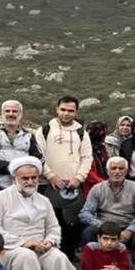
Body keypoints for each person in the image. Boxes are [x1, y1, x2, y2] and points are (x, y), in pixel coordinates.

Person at [0, 157, 76, 270]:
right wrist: (23, 243)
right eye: (25, 178)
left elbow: (53, 227)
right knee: (27, 256)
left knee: (58, 257)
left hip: (41, 248)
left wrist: (50, 241)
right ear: (15, 179)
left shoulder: (44, 200)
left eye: (34, 178)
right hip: (11, 249)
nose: (30, 182)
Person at [35, 96, 93, 255]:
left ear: (76, 112)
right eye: (63, 110)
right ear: (57, 109)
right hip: (49, 185)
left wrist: (79, 178)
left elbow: (87, 157)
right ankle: (48, 256)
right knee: (50, 222)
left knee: (71, 224)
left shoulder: (82, 132)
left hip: (73, 185)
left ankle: (68, 257)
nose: (66, 114)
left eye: (70, 111)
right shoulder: (45, 130)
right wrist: (50, 175)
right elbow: (38, 155)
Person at [79, 156, 135, 250]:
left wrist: (130, 230)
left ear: (126, 171)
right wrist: (102, 226)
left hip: (127, 227)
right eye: (113, 168)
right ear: (107, 171)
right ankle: (92, 263)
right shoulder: (97, 188)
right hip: (103, 226)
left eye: (121, 168)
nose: (117, 171)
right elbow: (85, 213)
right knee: (89, 232)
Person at [0, 99, 43, 193]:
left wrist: (26, 172)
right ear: (2, 113)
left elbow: (40, 159)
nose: (11, 114)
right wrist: (13, 167)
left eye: (15, 111)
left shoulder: (29, 136)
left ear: (21, 114)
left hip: (23, 189)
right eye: (7, 111)